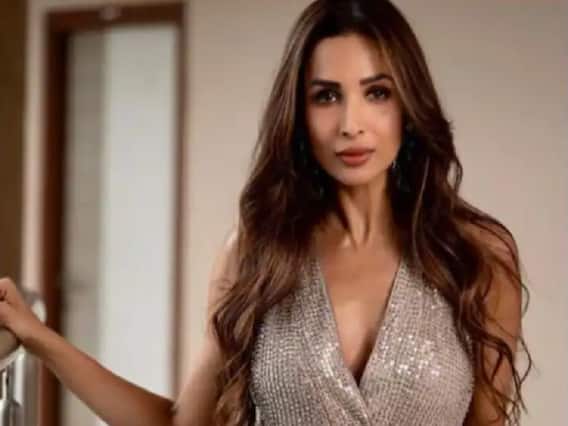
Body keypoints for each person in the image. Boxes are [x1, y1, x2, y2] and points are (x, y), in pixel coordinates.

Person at [0, 0, 532, 425]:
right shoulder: (259, 250)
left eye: (376, 93)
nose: (351, 123)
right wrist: (39, 339)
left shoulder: (475, 255)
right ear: (299, 113)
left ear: (408, 106)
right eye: (326, 96)